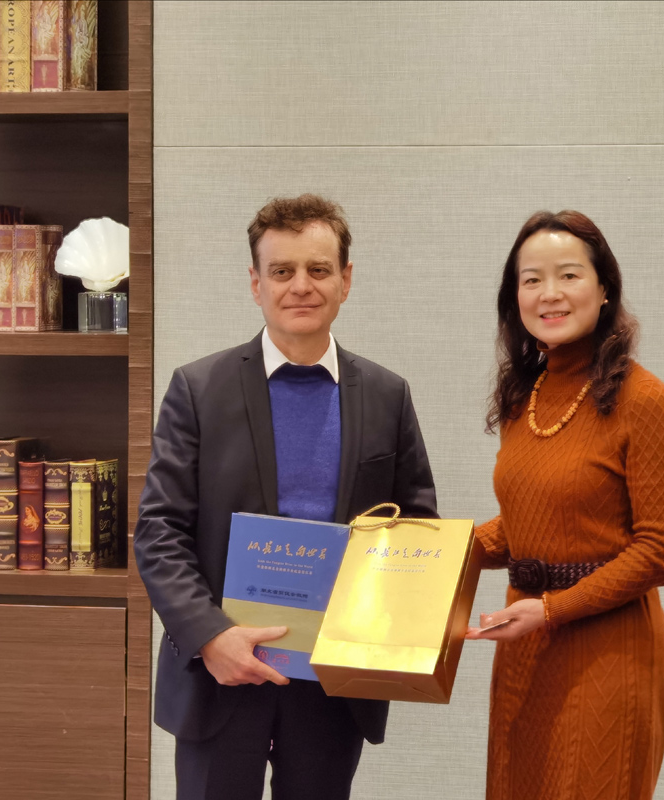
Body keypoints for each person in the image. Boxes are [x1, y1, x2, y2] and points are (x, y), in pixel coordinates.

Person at [134, 194, 437, 800]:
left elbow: (415, 530)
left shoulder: (387, 395)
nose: (301, 285)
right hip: (221, 672)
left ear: (346, 280)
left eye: (318, 269)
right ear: (256, 283)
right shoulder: (198, 389)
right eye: (282, 270)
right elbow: (160, 531)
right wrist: (210, 636)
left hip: (331, 682)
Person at [466, 210, 664, 800]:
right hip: (526, 649)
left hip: (608, 652)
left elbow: (663, 550)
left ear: (604, 287)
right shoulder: (523, 395)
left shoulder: (646, 399)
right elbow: (528, 524)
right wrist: (425, 552)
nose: (550, 293)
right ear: (515, 297)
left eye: (569, 275)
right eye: (531, 279)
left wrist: (552, 610)